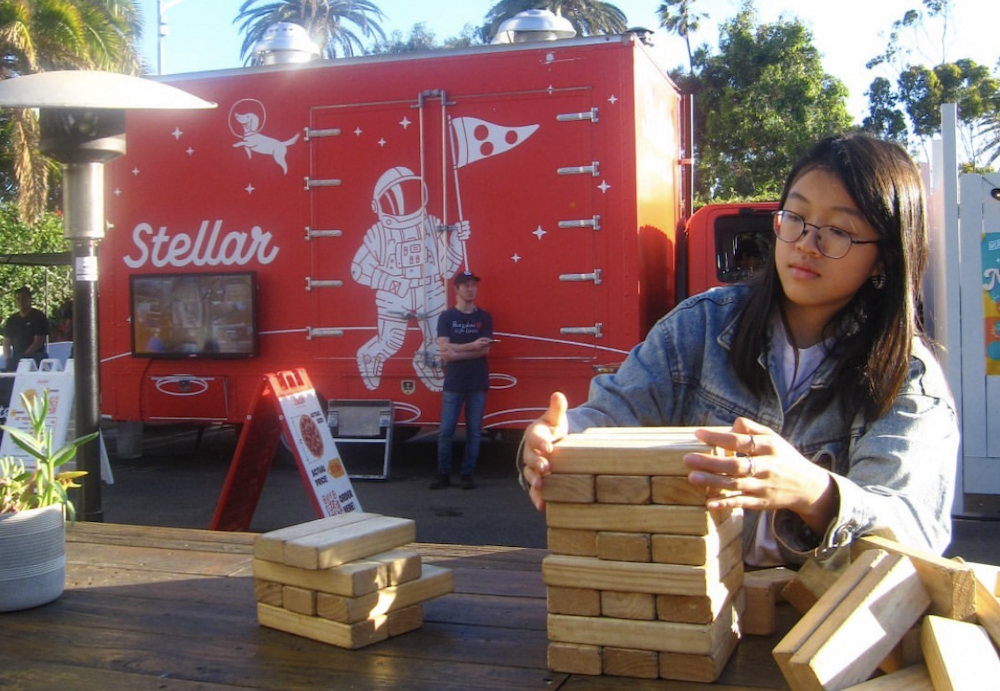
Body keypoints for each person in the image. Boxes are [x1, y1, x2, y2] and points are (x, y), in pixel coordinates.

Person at [519, 133, 959, 567]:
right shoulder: (701, 326)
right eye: (796, 217)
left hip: (819, 626)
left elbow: (914, 530)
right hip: (691, 608)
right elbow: (613, 415)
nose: (806, 243)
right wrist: (555, 439)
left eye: (839, 231)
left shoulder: (906, 375)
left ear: (884, 257)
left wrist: (814, 492)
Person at [431, 271, 494, 490]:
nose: (471, 289)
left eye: (473, 286)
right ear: (456, 290)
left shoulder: (484, 317)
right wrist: (470, 346)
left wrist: (456, 354)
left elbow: (483, 350)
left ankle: (467, 475)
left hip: (477, 382)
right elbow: (443, 347)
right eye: (466, 286)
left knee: (474, 432)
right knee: (446, 431)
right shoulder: (447, 317)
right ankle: (443, 474)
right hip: (454, 383)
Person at [3, 287, 49, 372]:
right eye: (18, 299)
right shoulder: (12, 319)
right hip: (16, 358)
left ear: (30, 299)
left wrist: (24, 357)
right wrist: (8, 359)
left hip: (36, 359)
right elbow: (6, 342)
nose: (21, 302)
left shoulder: (38, 317)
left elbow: (39, 341)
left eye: (23, 299)